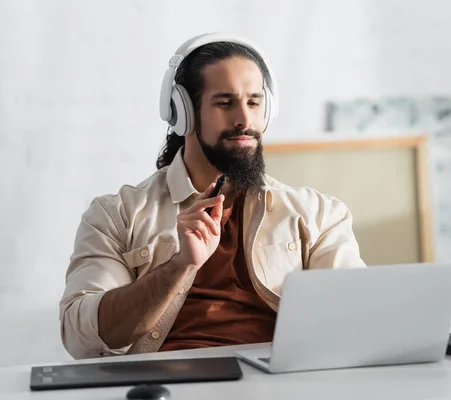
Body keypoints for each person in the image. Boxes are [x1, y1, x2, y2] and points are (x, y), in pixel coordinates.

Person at [59, 32, 365, 360]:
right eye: (224, 103)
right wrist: (180, 266)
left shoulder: (319, 215)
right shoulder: (116, 215)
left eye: (253, 102)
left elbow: (356, 322)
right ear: (183, 111)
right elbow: (81, 337)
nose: (244, 120)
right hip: (166, 385)